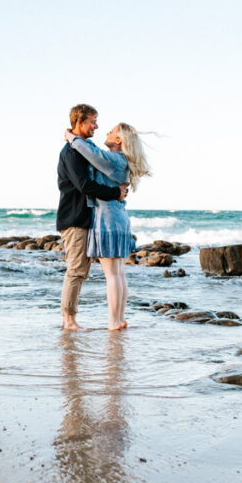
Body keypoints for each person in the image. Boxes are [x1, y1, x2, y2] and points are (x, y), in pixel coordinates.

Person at [65, 122, 151, 330]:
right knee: (118, 273)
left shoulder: (114, 159)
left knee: (112, 274)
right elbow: (94, 152)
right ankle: (119, 318)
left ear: (119, 140)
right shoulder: (119, 160)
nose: (106, 132)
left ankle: (114, 321)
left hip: (107, 220)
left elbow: (90, 153)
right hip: (118, 218)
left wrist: (71, 137)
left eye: (112, 132)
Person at [57, 104, 129, 331]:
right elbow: (85, 185)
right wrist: (115, 193)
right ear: (79, 122)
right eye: (92, 121)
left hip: (89, 218)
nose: (97, 126)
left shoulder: (85, 148)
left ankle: (75, 319)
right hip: (75, 217)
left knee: (84, 271)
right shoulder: (71, 152)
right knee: (77, 269)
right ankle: (68, 320)